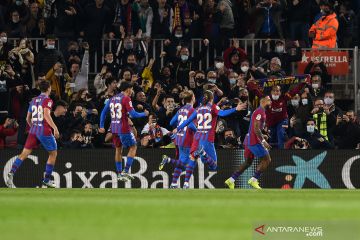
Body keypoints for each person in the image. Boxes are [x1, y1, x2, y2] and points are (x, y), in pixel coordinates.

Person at [175, 90, 247, 189]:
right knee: (213, 166)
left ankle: (186, 183)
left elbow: (188, 120)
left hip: (197, 137)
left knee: (192, 158)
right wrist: (236, 109)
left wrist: (178, 129)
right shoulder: (213, 107)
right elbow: (222, 113)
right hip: (207, 138)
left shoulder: (198, 108)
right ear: (212, 98)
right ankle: (203, 153)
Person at [6, 81, 59, 188]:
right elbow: (46, 114)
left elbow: (27, 118)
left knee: (24, 154)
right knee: (53, 154)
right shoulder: (48, 100)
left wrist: (33, 127)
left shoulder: (34, 100)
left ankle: (11, 172)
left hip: (34, 130)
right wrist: (55, 128)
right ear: (49, 88)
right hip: (44, 130)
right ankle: (47, 180)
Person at [99, 81, 149, 181]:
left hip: (114, 128)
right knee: (133, 146)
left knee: (118, 149)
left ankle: (119, 174)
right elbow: (134, 114)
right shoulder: (126, 98)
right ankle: (125, 171)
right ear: (128, 89)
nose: (132, 91)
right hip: (123, 127)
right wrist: (144, 113)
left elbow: (103, 112)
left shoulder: (112, 98)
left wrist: (101, 126)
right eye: (131, 89)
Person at [159, 90, 197, 188]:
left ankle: (174, 183)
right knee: (191, 162)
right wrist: (198, 131)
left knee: (182, 161)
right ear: (193, 98)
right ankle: (185, 184)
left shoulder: (180, 110)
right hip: (188, 138)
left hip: (179, 139)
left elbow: (171, 122)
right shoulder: (192, 110)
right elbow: (191, 125)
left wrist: (179, 126)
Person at [237, 96, 272, 189]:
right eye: (269, 100)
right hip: (254, 140)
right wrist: (263, 141)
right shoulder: (259, 112)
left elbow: (256, 128)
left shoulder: (261, 112)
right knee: (267, 160)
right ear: (262, 101)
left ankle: (232, 179)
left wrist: (263, 134)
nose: (270, 102)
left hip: (252, 139)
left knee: (248, 162)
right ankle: (254, 179)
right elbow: (256, 128)